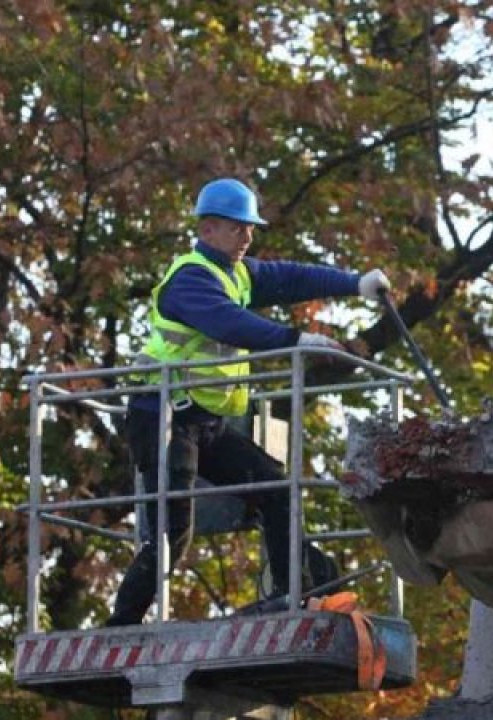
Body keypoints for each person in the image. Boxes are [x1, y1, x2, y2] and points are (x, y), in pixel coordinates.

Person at [106, 177, 391, 626]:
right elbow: (228, 322)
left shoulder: (236, 273)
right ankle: (121, 625)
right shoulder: (190, 279)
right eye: (238, 228)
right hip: (160, 415)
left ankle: (290, 594)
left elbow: (289, 277)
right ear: (208, 230)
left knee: (275, 488)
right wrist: (297, 339)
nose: (248, 236)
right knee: (172, 534)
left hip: (202, 420)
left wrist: (355, 284)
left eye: (250, 228)